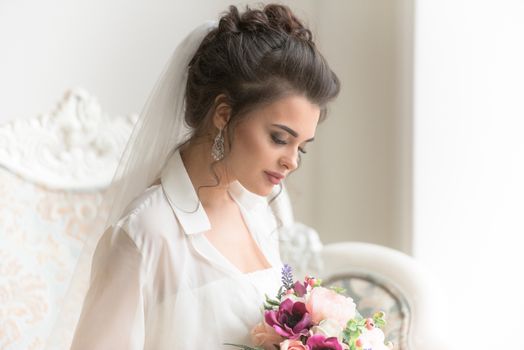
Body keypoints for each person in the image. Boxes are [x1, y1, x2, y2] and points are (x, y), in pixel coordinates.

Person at [50, 4, 340, 349]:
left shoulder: (259, 213)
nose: (291, 161)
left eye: (301, 147)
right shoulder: (145, 235)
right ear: (223, 114)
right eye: (279, 138)